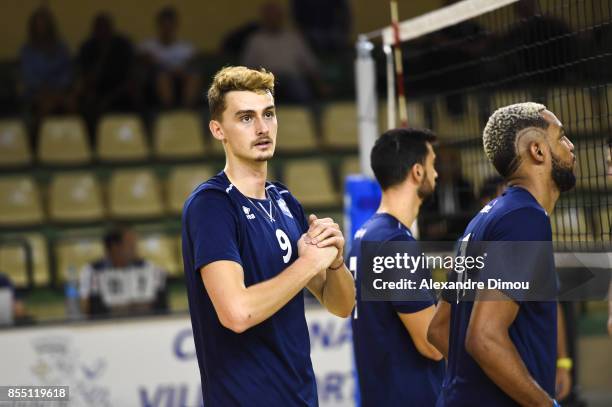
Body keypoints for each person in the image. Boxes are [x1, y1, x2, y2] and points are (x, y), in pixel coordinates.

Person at [181, 66, 355, 405]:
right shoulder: (211, 205)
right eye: (246, 118)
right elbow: (236, 313)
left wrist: (335, 262)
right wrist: (308, 264)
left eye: (269, 115)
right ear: (219, 130)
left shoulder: (284, 200)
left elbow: (343, 305)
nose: (262, 128)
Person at [428, 102, 576, 406]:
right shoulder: (524, 219)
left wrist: (480, 385)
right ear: (537, 150)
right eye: (561, 137)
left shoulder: (481, 220)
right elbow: (483, 337)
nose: (570, 146)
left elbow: (439, 328)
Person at [349, 128, 444, 406]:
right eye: (432, 164)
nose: (436, 173)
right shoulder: (395, 242)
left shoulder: (365, 234)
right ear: (417, 172)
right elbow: (433, 345)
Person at [241, 2, 324, 104]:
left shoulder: (294, 37)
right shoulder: (255, 40)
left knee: (301, 90)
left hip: (292, 79)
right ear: (264, 18)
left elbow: (309, 63)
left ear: (282, 17)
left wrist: (320, 84)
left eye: (276, 16)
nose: (273, 20)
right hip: (266, 80)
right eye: (270, 16)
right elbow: (247, 68)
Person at [79, 226, 168, 317]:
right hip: (105, 325)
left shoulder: (147, 267)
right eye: (130, 244)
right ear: (115, 247)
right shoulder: (92, 270)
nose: (135, 248)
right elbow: (85, 306)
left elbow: (160, 305)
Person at [77, 13, 138, 134]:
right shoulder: (88, 47)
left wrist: (109, 99)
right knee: (87, 106)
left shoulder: (123, 46)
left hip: (121, 93)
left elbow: (131, 76)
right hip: (96, 93)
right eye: (99, 28)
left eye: (105, 28)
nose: (102, 32)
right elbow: (85, 77)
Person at [20, 7, 75, 124]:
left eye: (44, 24)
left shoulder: (61, 47)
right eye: (38, 25)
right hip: (37, 93)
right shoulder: (27, 50)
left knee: (71, 103)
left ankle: (71, 138)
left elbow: (67, 72)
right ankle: (40, 139)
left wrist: (58, 90)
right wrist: (45, 90)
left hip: (60, 91)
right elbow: (29, 77)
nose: (41, 28)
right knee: (46, 105)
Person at [139, 6, 201, 108]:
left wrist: (179, 72)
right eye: (164, 25)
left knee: (194, 77)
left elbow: (193, 66)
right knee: (163, 78)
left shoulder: (186, 47)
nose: (167, 29)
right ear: (159, 25)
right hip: (156, 83)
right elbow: (145, 65)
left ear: (175, 26)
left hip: (181, 80)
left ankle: (187, 111)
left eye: (170, 25)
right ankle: (169, 111)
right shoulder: (148, 46)